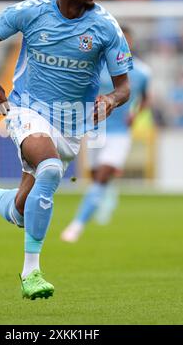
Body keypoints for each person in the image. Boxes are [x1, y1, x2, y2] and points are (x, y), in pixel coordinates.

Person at [0, 0, 132, 300]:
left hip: (72, 124)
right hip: (26, 110)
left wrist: (111, 100)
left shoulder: (105, 27)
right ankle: (31, 272)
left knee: (22, 212)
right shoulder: (32, 11)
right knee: (50, 170)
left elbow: (124, 86)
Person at [61, 26, 151, 243]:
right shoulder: (97, 66)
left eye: (126, 41)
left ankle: (77, 225)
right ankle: (106, 195)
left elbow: (146, 98)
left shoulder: (143, 72)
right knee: (96, 177)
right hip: (95, 130)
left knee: (102, 175)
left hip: (120, 133)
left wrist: (135, 115)